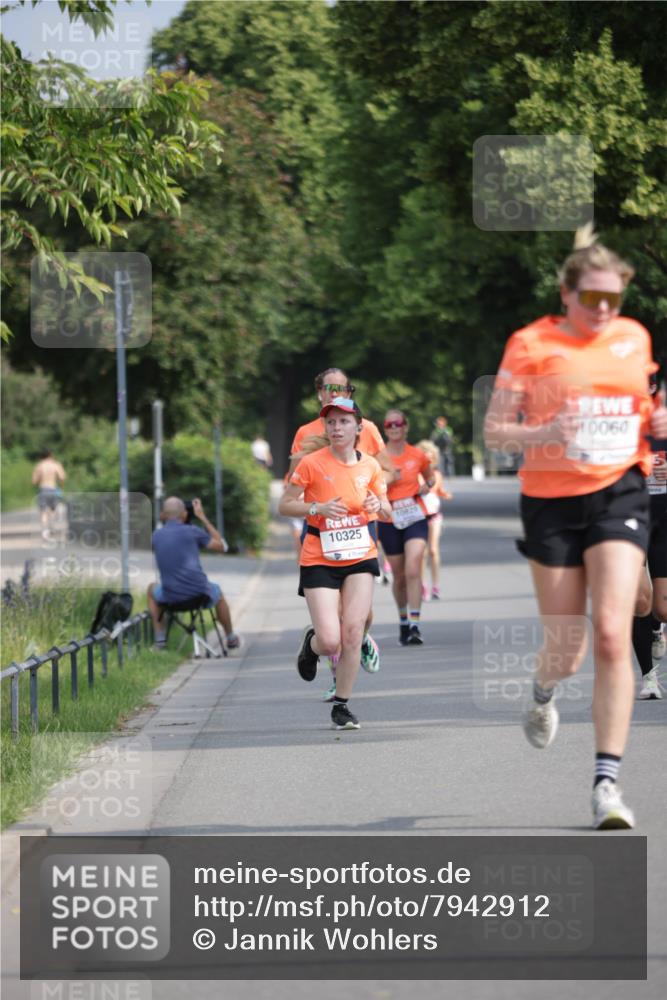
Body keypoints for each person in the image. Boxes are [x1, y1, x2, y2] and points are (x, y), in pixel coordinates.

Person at [484, 225, 667, 830]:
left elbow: (640, 410)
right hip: (552, 500)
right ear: (567, 294)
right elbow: (496, 431)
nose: (605, 311)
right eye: (593, 299)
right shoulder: (531, 344)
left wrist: (655, 420)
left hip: (620, 490)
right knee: (568, 648)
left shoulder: (633, 339)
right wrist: (542, 434)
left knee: (615, 632)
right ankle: (543, 691)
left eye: (615, 300)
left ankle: (606, 785)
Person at [279, 397, 391, 730]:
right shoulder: (311, 463)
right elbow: (285, 506)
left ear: (359, 427)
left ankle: (341, 706)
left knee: (353, 630)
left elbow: (385, 509)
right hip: (319, 556)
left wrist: (376, 503)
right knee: (331, 641)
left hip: (360, 554)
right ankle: (312, 644)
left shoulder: (370, 465)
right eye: (331, 422)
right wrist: (317, 509)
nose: (336, 428)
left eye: (343, 422)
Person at [148, 496, 240, 651]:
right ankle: (230, 638)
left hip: (171, 596)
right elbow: (222, 547)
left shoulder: (155, 536)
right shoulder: (193, 532)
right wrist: (202, 517)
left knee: (151, 588)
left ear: (163, 515)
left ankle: (160, 640)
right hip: (199, 595)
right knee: (218, 593)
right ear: (184, 514)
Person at [378, 410, 437, 646]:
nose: (394, 427)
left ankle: (415, 625)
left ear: (406, 427)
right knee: (400, 576)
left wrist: (427, 486)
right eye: (389, 424)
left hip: (415, 515)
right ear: (385, 429)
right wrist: (389, 478)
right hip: (389, 519)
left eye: (398, 423)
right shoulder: (377, 457)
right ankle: (403, 621)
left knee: (414, 569)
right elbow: (371, 484)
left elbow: (430, 477)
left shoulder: (418, 455)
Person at [632, 375, 667, 699]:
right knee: (637, 600)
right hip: (628, 519)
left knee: (662, 606)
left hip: (663, 519)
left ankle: (659, 628)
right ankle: (650, 679)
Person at [416, 439, 453, 601]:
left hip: (434, 516)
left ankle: (436, 586)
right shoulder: (415, 475)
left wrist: (445, 494)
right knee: (422, 553)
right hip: (419, 517)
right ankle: (423, 585)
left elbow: (438, 490)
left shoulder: (437, 474)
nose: (428, 459)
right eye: (425, 456)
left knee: (433, 550)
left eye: (431, 456)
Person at [32, 449, 66, 538]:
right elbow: (62, 477)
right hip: (53, 489)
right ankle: (52, 527)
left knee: (43, 511)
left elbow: (34, 481)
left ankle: (45, 531)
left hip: (43, 489)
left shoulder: (39, 466)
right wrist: (61, 486)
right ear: (50, 455)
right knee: (53, 510)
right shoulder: (56, 465)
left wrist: (40, 480)